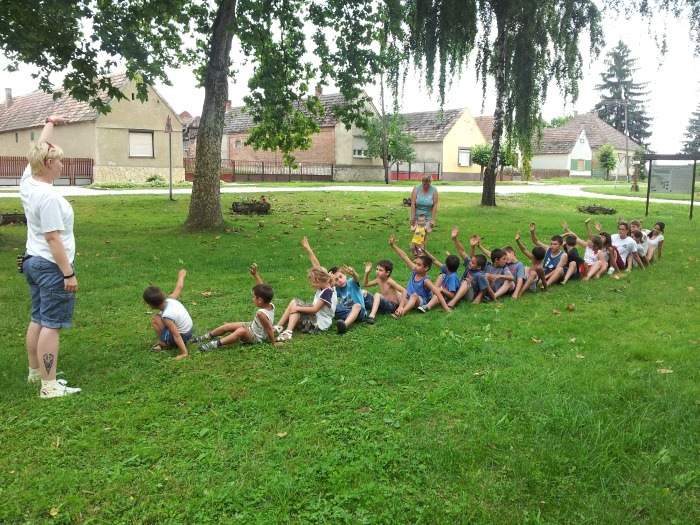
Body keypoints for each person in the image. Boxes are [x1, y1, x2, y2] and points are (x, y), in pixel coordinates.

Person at [20, 114, 82, 398]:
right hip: (51, 266)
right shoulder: (48, 197)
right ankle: (49, 386)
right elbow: (53, 238)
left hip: (33, 262)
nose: (62, 165)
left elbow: (41, 146)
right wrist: (68, 273)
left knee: (38, 318)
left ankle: (36, 374)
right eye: (59, 161)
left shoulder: (28, 181)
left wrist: (50, 122)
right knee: (51, 324)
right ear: (47, 163)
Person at [193, 264, 278, 351]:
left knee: (241, 331)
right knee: (227, 326)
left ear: (260, 300)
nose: (252, 299)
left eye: (253, 297)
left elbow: (268, 328)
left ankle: (215, 344)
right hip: (252, 326)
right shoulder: (269, 303)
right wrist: (255, 275)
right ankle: (208, 336)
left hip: (256, 337)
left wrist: (273, 343)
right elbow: (261, 287)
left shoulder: (261, 314)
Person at [301, 237, 366, 334]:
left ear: (345, 275)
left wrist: (353, 273)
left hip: (359, 312)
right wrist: (309, 249)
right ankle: (343, 319)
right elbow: (317, 268)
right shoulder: (335, 288)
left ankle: (345, 325)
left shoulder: (351, 283)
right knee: (334, 306)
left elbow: (356, 278)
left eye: (340, 277)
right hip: (345, 311)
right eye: (336, 279)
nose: (339, 280)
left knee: (357, 305)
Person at [274, 260, 337, 341]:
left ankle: (288, 333)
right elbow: (317, 268)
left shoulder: (327, 292)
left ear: (317, 281)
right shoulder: (326, 285)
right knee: (294, 301)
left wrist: (297, 308)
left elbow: (315, 309)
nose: (311, 284)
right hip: (316, 316)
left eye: (312, 281)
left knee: (295, 310)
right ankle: (278, 327)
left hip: (319, 324)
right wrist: (309, 251)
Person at [389, 235, 450, 316]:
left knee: (414, 296)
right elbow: (404, 256)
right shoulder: (415, 271)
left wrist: (446, 308)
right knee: (392, 289)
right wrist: (393, 245)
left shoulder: (425, 280)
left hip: (418, 301)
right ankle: (387, 306)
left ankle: (401, 313)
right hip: (407, 297)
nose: (415, 266)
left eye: (419, 265)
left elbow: (438, 293)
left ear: (426, 268)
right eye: (416, 263)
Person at [144, 269, 194, 360]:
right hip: (190, 332)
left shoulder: (167, 316)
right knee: (160, 316)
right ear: (163, 295)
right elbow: (179, 287)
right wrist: (181, 276)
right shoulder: (171, 298)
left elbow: (176, 335)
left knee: (155, 318)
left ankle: (165, 343)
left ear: (150, 305)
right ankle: (171, 341)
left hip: (183, 336)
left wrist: (184, 353)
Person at [446, 227, 498, 306]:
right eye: (470, 261)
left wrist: (496, 301)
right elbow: (461, 251)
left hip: (470, 296)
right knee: (445, 276)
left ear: (479, 267)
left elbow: (487, 288)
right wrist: (455, 239)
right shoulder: (469, 266)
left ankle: (453, 302)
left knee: (466, 281)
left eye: (472, 263)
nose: (470, 263)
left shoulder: (480, 275)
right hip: (461, 289)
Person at [514, 231, 548, 298]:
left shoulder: (540, 268)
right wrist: (517, 241)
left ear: (534, 256)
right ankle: (517, 284)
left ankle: (520, 292)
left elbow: (543, 279)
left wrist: (546, 289)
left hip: (531, 287)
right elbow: (524, 250)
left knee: (533, 273)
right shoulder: (534, 259)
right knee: (526, 267)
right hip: (526, 279)